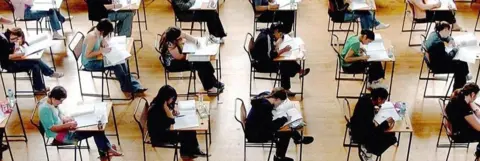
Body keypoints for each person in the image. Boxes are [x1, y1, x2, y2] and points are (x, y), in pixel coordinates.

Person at [38, 86, 122, 161]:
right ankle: (105, 151)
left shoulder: (50, 100)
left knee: (97, 127)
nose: (61, 103)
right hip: (63, 137)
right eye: (60, 101)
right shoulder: (45, 110)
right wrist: (67, 125)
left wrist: (65, 118)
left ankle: (106, 149)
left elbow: (59, 112)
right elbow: (52, 128)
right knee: (97, 130)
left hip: (65, 129)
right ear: (53, 98)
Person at [245, 87, 314, 161]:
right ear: (277, 99)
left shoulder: (265, 96)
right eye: (280, 103)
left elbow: (266, 121)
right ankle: (280, 157)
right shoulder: (265, 107)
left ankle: (296, 140)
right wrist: (284, 119)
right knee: (286, 132)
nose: (279, 105)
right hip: (256, 134)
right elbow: (271, 127)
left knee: (287, 128)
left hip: (254, 127)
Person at [81, 19, 147, 94]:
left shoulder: (97, 31)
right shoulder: (93, 37)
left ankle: (135, 86)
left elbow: (101, 39)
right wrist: (102, 50)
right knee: (116, 65)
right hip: (90, 63)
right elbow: (87, 55)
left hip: (97, 58)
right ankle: (127, 87)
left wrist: (104, 42)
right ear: (103, 31)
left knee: (122, 61)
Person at [147, 85, 207, 161]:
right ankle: (187, 154)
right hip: (159, 136)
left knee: (190, 129)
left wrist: (171, 111)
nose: (172, 100)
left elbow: (166, 120)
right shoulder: (156, 109)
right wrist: (169, 112)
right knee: (186, 133)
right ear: (165, 98)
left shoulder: (160, 103)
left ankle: (192, 151)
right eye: (171, 98)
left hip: (164, 130)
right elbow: (171, 121)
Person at [159, 27, 224, 94]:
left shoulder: (173, 33)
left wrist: (196, 41)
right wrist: (186, 48)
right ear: (175, 38)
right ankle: (210, 88)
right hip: (174, 64)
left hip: (179, 58)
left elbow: (185, 35)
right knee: (200, 64)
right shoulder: (170, 44)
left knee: (203, 59)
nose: (181, 37)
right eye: (179, 37)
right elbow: (180, 57)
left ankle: (213, 82)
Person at [251, 23, 310, 96]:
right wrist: (283, 50)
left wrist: (277, 46)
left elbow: (270, 49)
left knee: (285, 61)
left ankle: (297, 74)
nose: (280, 36)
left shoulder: (267, 33)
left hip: (262, 59)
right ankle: (287, 87)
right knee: (284, 64)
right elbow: (272, 55)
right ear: (276, 31)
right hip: (262, 64)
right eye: (280, 34)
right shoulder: (267, 38)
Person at [0, 28, 63, 94]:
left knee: (36, 62)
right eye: (17, 39)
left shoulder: (9, 37)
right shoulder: (3, 40)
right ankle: (42, 84)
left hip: (14, 61)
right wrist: (20, 54)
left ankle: (40, 87)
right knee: (35, 65)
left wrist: (16, 48)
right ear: (13, 34)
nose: (16, 40)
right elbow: (5, 57)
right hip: (9, 65)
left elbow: (11, 51)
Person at [350, 87, 397, 161]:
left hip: (355, 126)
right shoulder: (368, 110)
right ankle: (368, 150)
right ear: (379, 99)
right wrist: (386, 123)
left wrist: (375, 110)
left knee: (390, 135)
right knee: (391, 137)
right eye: (383, 101)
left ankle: (367, 148)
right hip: (360, 134)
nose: (383, 103)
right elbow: (372, 130)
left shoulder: (365, 98)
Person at [425, 21, 469, 90]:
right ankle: (458, 89)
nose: (449, 33)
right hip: (437, 66)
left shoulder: (434, 33)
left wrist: (450, 40)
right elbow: (448, 58)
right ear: (445, 29)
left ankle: (464, 76)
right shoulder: (439, 43)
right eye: (449, 31)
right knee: (461, 65)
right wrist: (455, 49)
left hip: (434, 60)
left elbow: (446, 37)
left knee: (461, 63)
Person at [446, 83, 480, 160]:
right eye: (476, 96)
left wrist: (476, 110)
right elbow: (479, 128)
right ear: (472, 94)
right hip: (459, 134)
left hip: (455, 127)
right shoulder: (463, 108)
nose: (475, 98)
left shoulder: (459, 94)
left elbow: (471, 102)